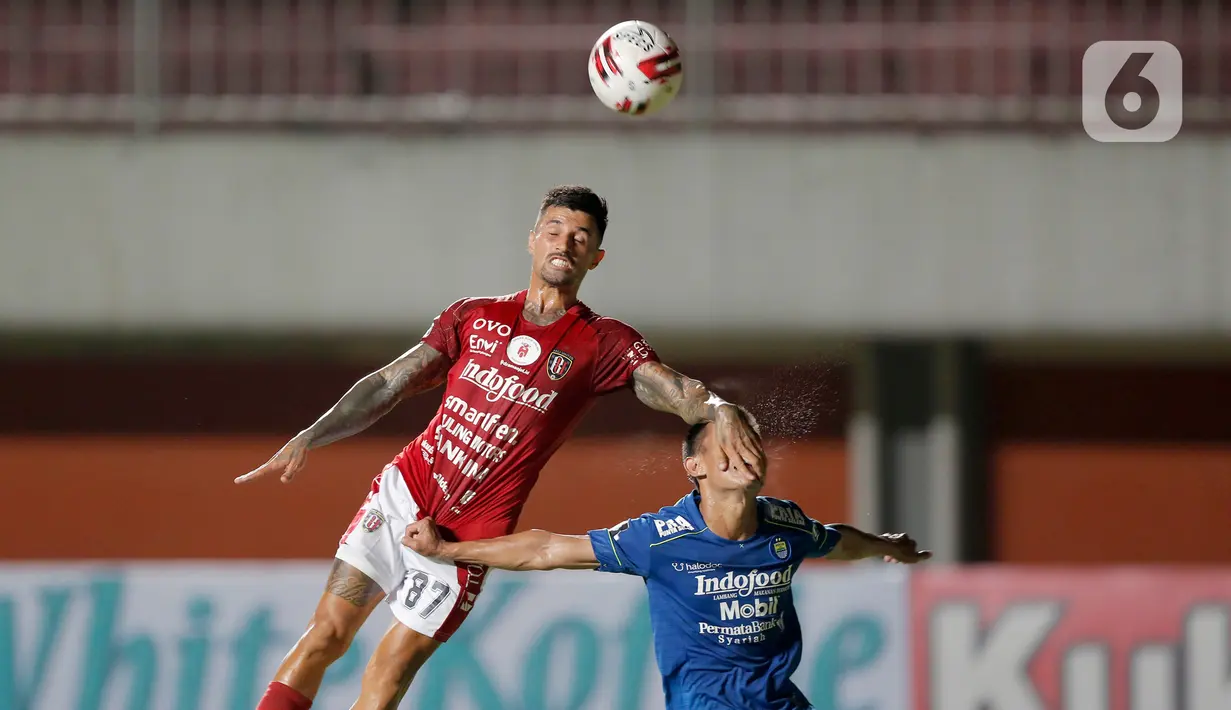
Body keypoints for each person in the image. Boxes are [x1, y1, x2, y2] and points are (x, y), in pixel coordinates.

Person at [236, 185, 767, 710]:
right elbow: (388, 383)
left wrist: (720, 408)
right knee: (326, 635)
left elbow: (679, 393)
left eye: (582, 237)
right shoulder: (473, 315)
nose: (566, 243)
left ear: (596, 258)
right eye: (556, 230)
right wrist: (312, 433)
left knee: (388, 671)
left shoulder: (604, 342)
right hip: (405, 492)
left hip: (471, 534)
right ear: (532, 240)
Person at [401, 414, 932, 710]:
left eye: (750, 441)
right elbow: (547, 548)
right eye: (727, 442)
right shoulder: (660, 537)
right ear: (693, 465)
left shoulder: (785, 525)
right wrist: (447, 550)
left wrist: (886, 543)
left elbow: (837, 541)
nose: (743, 450)